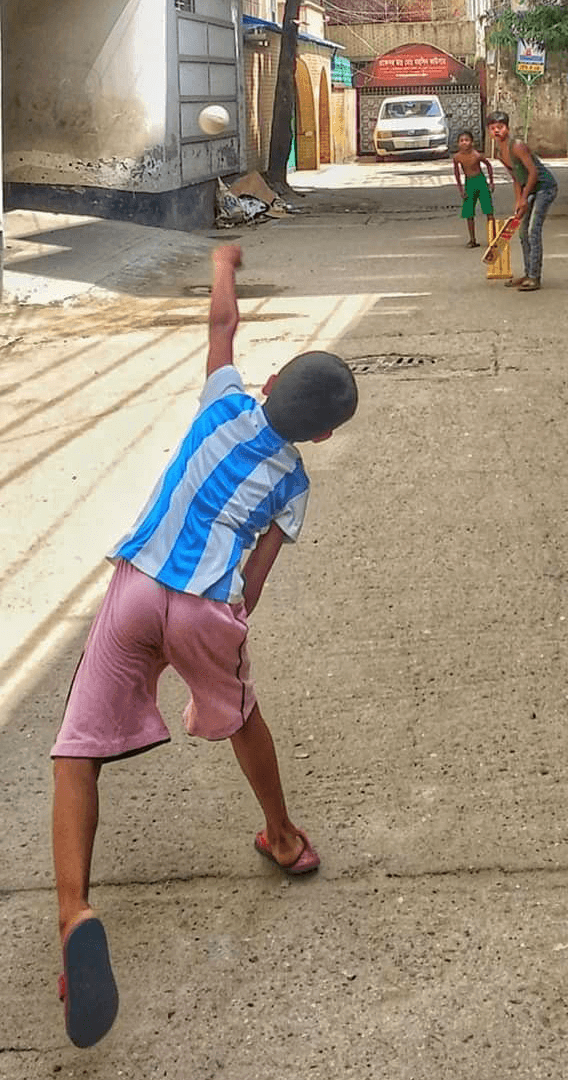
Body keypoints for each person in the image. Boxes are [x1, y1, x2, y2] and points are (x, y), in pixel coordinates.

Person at [50, 243, 359, 1049]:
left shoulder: (222, 401)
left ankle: (73, 913)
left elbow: (221, 323)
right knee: (242, 714)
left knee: (77, 751)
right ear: (323, 435)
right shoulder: (294, 480)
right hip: (202, 609)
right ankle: (284, 838)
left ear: (264, 386)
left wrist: (226, 262)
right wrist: (220, 650)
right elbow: (253, 583)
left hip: (138, 582)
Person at [486, 110, 558, 291]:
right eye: (493, 128)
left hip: (545, 188)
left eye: (500, 127)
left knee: (533, 230)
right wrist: (518, 200)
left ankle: (535, 277)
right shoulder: (499, 153)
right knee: (522, 232)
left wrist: (525, 197)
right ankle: (528, 273)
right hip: (529, 190)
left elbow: (533, 172)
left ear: (507, 128)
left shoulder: (517, 146)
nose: (497, 131)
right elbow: (516, 177)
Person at [452, 130, 495, 248]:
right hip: (469, 183)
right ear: (458, 143)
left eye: (467, 140)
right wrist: (461, 189)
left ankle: (493, 238)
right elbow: (456, 173)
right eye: (461, 141)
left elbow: (488, 165)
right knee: (468, 212)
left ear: (472, 142)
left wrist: (491, 182)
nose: (464, 143)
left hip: (480, 181)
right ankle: (472, 239)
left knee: (488, 210)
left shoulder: (476, 155)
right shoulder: (457, 157)